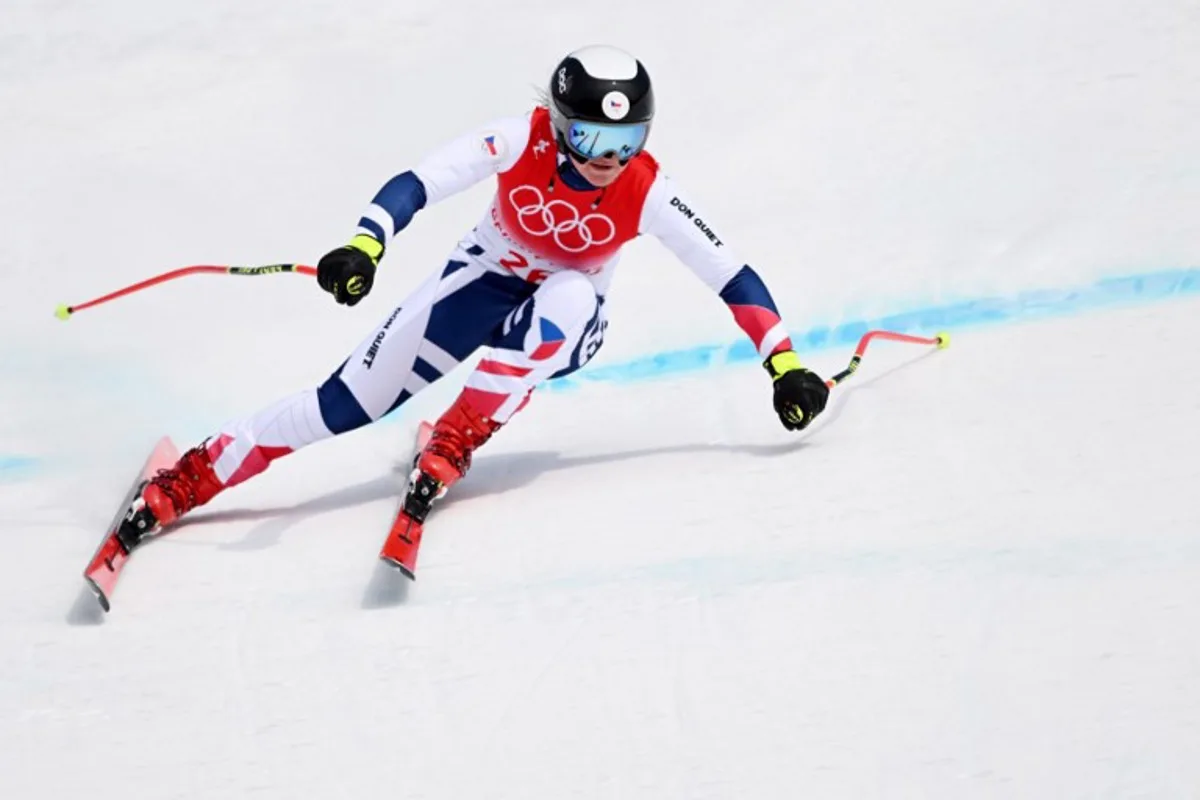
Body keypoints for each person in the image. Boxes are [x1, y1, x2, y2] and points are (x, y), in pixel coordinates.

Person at [115, 44, 830, 550]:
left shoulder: (647, 187)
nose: (609, 159)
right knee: (340, 406)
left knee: (571, 296)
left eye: (627, 139)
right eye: (590, 136)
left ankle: (458, 435)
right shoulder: (519, 139)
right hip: (478, 282)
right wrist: (366, 243)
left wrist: (784, 363)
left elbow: (730, 275)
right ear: (556, 123)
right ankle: (190, 479)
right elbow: (422, 180)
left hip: (565, 315)